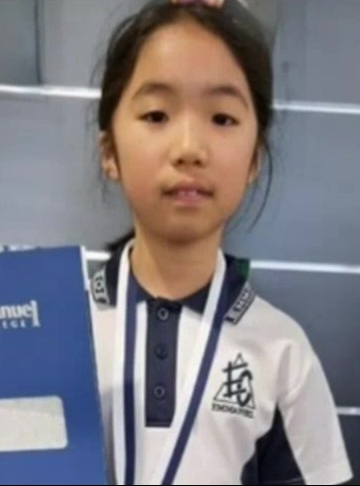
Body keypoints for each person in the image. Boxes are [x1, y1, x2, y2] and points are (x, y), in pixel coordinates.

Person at [88, 0, 353, 484]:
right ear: (109, 151)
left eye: (223, 118)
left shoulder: (283, 354)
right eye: (156, 115)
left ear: (254, 158)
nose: (190, 148)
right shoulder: (60, 333)